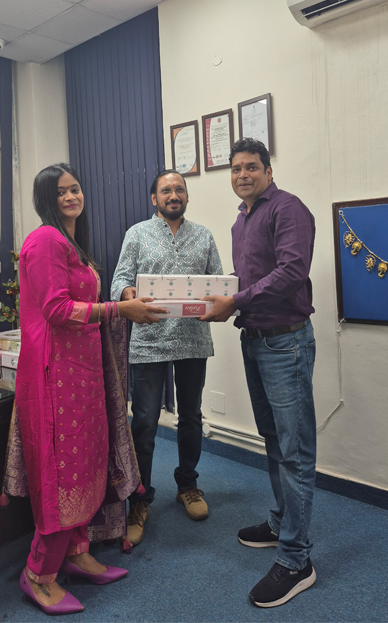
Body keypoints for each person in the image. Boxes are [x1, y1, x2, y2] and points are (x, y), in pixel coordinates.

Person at [9, 163, 168, 615]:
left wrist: (116, 309)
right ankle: (38, 574)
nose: (71, 197)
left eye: (75, 189)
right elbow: (57, 309)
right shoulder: (45, 240)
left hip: (81, 371)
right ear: (46, 199)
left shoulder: (71, 242)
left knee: (85, 463)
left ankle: (77, 553)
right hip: (53, 372)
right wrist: (119, 310)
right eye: (61, 192)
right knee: (61, 472)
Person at [201, 138, 317, 609]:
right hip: (255, 341)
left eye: (252, 167)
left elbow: (292, 272)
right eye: (236, 168)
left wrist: (235, 301)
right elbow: (247, 281)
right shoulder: (241, 219)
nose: (243, 174)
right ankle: (281, 523)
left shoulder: (288, 209)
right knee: (274, 442)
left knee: (294, 451)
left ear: (269, 171)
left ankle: (296, 560)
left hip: (286, 344)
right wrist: (222, 298)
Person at [110, 169, 222, 545]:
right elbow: (119, 280)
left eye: (179, 189)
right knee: (144, 423)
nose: (174, 195)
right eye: (166, 190)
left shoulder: (204, 236)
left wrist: (219, 301)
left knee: (191, 416)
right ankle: (140, 500)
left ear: (186, 196)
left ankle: (188, 486)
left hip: (192, 339)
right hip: (148, 340)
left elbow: (218, 282)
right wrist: (128, 296)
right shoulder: (137, 234)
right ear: (154, 199)